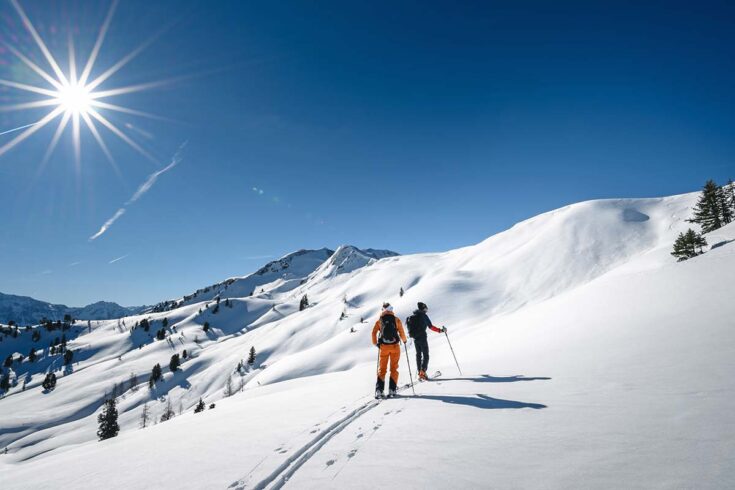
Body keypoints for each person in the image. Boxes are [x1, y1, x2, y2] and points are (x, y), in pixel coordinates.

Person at [372, 302, 407, 398]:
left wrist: (376, 344)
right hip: (395, 347)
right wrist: (404, 341)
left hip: (383, 347)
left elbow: (373, 333)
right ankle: (392, 389)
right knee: (394, 368)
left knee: (382, 369)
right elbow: (402, 332)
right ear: (391, 309)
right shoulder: (396, 319)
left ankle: (379, 390)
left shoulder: (380, 321)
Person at [407, 302, 446, 380]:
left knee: (418, 355)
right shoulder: (423, 316)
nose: (426, 310)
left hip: (415, 338)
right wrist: (440, 330)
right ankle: (423, 372)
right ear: (423, 308)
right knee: (426, 355)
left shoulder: (413, 317)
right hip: (422, 337)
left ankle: (420, 372)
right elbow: (431, 327)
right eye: (425, 308)